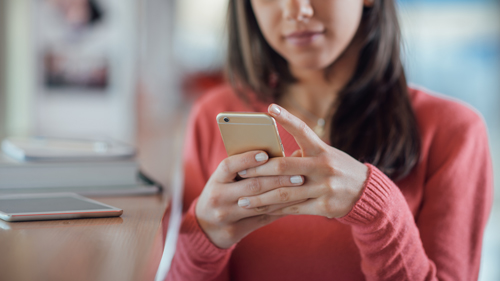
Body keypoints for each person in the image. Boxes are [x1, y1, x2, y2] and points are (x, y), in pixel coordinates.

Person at [166, 0, 493, 280]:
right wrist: (203, 238)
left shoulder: (455, 132)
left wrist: (377, 212)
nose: (297, 10)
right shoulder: (214, 115)